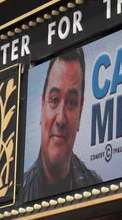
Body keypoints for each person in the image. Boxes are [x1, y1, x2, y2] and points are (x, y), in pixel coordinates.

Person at [21, 47, 101, 201]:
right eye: (54, 100)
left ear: (80, 112)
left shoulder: (96, 188)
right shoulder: (20, 195)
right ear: (42, 106)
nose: (61, 119)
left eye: (71, 102)